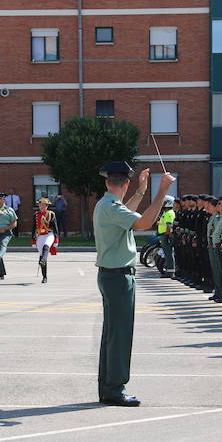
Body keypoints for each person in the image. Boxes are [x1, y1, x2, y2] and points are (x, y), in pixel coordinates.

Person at [93, 161, 175, 406]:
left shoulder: (107, 205)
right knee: (119, 335)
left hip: (111, 275)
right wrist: (161, 192)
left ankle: (108, 386)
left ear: (107, 181)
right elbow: (142, 223)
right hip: (118, 276)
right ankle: (115, 388)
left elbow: (127, 213)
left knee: (112, 334)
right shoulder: (111, 207)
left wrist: (141, 191)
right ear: (125, 183)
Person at [0, 193, 18, 280]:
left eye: (0, 199)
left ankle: (0, 255)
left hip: (6, 233)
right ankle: (1, 274)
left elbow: (14, 223)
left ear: (4, 200)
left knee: (3, 245)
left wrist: (6, 228)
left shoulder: (9, 210)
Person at [32, 198, 59, 284]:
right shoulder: (36, 215)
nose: (41, 206)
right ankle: (44, 277)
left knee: (46, 247)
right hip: (40, 235)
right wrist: (33, 239)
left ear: (47, 206)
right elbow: (33, 228)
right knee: (41, 254)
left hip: (49, 234)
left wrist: (56, 239)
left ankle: (43, 260)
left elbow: (55, 227)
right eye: (40, 205)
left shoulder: (51, 214)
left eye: (43, 205)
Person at [157, 196, 176, 277]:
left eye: (164, 202)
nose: (163, 203)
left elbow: (169, 225)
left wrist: (167, 235)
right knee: (166, 253)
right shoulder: (166, 212)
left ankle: (171, 272)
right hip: (163, 235)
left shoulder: (169, 213)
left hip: (165, 235)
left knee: (168, 254)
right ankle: (169, 270)